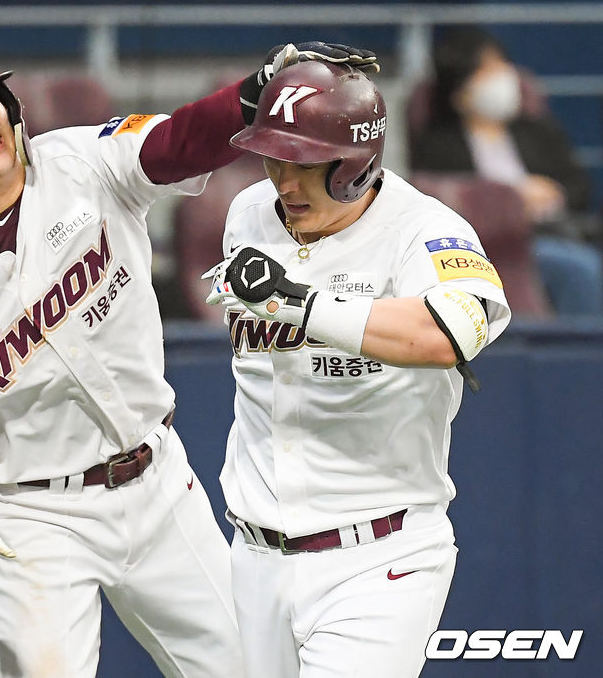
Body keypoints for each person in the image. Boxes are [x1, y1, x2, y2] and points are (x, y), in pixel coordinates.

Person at [0, 39, 378, 677]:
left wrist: (254, 93)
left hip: (158, 485)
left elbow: (181, 142)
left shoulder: (82, 161)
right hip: (31, 517)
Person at [202, 59, 512, 677]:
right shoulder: (249, 213)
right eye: (272, 158)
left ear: (354, 164)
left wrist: (301, 305)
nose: (283, 181)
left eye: (304, 163)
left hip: (378, 555)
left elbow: (453, 330)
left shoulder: (424, 228)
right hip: (255, 555)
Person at [410, 25, 601, 316]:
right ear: (460, 91)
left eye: (502, 65)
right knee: (577, 268)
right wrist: (512, 201)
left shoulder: (536, 129)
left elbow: (578, 185)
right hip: (490, 243)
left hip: (552, 231)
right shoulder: (439, 145)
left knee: (576, 258)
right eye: (487, 71)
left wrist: (553, 192)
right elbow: (439, 200)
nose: (503, 77)